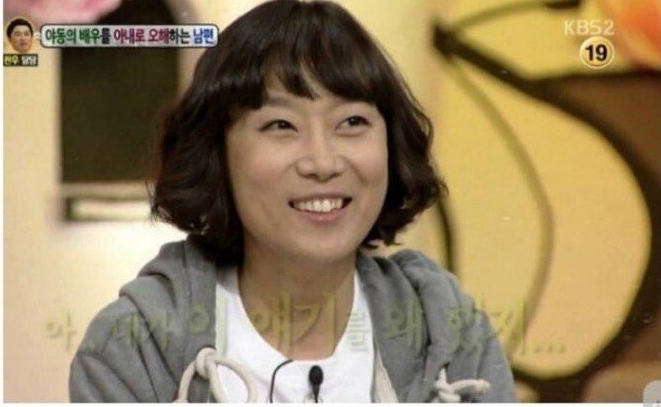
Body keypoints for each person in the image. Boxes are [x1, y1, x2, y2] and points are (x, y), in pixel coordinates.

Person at [69, 0, 516, 402]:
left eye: (352, 121)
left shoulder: (450, 333)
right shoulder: (133, 349)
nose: (322, 162)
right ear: (216, 154)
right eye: (281, 125)